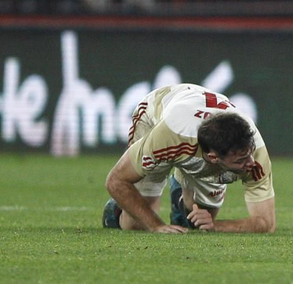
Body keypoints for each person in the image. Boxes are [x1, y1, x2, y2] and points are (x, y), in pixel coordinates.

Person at [102, 84, 275, 234]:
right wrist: (156, 225)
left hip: (192, 135)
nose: (251, 163)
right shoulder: (169, 135)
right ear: (213, 157)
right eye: (240, 160)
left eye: (249, 154)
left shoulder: (254, 150)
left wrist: (215, 225)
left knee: (198, 223)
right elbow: (116, 180)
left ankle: (180, 192)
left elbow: (266, 223)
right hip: (156, 114)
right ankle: (115, 211)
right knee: (136, 223)